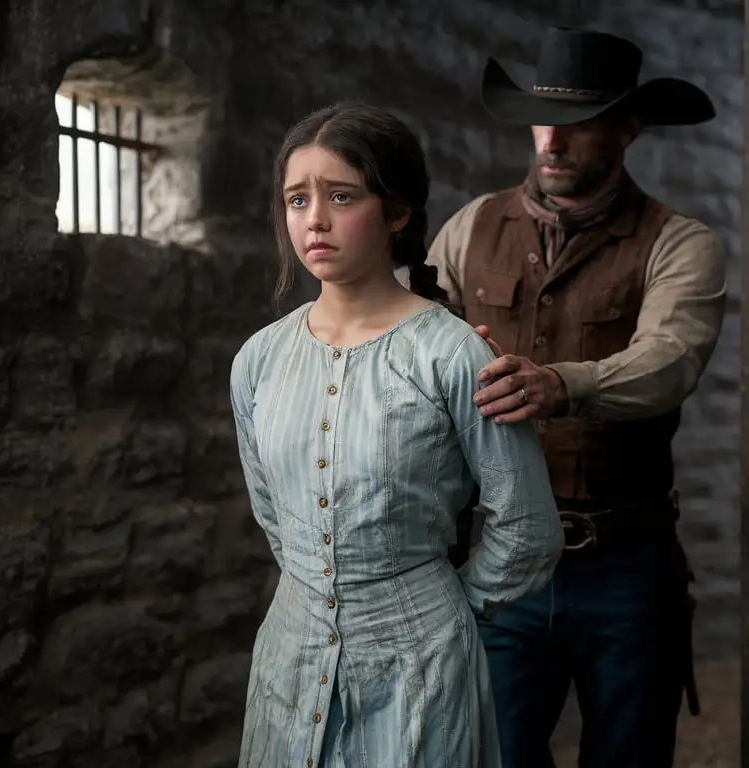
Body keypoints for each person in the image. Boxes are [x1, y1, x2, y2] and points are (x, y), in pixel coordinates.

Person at [230, 101, 565, 768]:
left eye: (341, 196)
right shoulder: (259, 360)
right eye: (297, 199)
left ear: (398, 212)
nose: (315, 219)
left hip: (422, 665)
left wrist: (439, 610)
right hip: (289, 660)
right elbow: (274, 513)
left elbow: (527, 525)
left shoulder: (450, 354)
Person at [427, 26, 727, 768]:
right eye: (540, 117)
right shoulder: (470, 227)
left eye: (579, 120)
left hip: (624, 563)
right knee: (495, 755)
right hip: (499, 558)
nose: (551, 140)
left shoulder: (679, 242)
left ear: (627, 127)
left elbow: (670, 360)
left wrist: (563, 383)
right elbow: (414, 351)